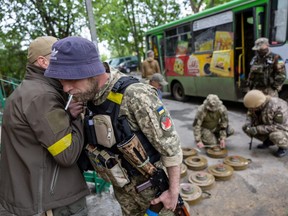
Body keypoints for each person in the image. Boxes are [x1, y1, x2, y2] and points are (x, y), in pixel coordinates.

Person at [44, 36, 183, 216]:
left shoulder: (136, 96)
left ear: (91, 71)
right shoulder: (87, 95)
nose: (66, 88)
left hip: (155, 193)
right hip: (123, 192)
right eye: (61, 81)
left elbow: (171, 147)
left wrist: (173, 192)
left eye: (70, 80)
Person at [0, 36, 89, 216]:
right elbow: (67, 153)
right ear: (43, 62)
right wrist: (79, 118)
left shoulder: (26, 91)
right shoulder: (42, 97)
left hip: (31, 195)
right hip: (55, 202)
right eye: (59, 56)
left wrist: (67, 115)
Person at [242, 90, 288, 157]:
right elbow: (250, 115)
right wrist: (248, 125)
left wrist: (257, 129)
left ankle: (284, 147)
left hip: (283, 129)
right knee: (246, 128)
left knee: (275, 135)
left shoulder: (278, 106)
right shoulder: (256, 105)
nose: (251, 110)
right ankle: (268, 142)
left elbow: (278, 126)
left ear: (258, 104)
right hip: (268, 126)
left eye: (252, 108)